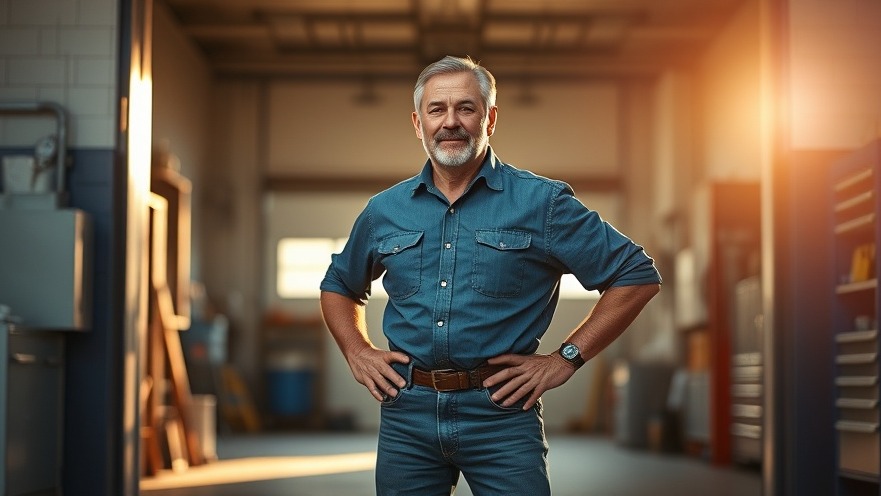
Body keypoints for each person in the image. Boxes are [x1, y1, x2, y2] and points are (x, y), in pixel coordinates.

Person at [320, 55, 661, 496]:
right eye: (436, 110)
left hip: (502, 414)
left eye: (466, 108)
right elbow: (339, 285)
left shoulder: (543, 203)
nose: (451, 122)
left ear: (490, 118)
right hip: (408, 414)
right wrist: (356, 350)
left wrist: (566, 358)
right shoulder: (385, 211)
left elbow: (636, 274)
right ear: (417, 122)